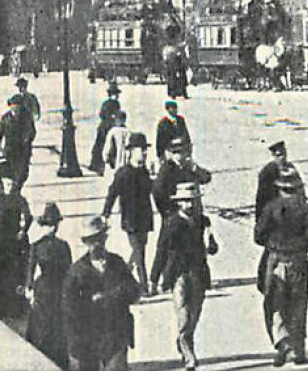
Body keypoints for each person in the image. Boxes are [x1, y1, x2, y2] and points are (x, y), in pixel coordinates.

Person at [255, 172, 308, 366]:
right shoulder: (305, 209)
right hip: (298, 262)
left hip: (276, 262)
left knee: (275, 304)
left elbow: (258, 236)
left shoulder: (270, 208)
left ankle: (282, 343)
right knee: (298, 304)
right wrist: (301, 245)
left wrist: (275, 244)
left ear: (279, 189)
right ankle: (298, 350)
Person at [150, 182, 217, 370]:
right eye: (185, 201)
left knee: (194, 314)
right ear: (179, 203)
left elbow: (213, 247)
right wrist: (154, 278)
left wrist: (211, 242)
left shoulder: (203, 222)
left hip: (198, 274)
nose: (189, 205)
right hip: (178, 275)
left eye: (192, 201)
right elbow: (161, 250)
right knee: (184, 314)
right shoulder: (172, 223)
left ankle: (183, 341)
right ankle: (189, 355)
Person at [62, 215, 141, 370]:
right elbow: (68, 309)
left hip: (116, 334)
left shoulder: (117, 263)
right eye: (90, 240)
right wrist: (74, 342)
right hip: (88, 337)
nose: (95, 244)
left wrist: (109, 296)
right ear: (84, 242)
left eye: (98, 238)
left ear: (105, 237)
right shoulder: (76, 271)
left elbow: (134, 291)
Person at [102, 132, 155, 294]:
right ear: (131, 151)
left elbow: (152, 191)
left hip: (145, 218)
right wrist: (106, 214)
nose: (144, 153)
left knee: (139, 251)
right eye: (141, 149)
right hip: (130, 219)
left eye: (145, 150)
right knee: (139, 253)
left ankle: (123, 275)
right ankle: (145, 287)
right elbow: (112, 193)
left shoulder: (145, 172)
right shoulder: (123, 173)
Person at [26, 202, 72, 367]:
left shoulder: (60, 246)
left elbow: (69, 271)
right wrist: (29, 288)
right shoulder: (38, 246)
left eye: (53, 225)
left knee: (53, 324)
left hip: (54, 288)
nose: (51, 228)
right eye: (48, 225)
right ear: (44, 226)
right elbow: (30, 270)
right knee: (46, 324)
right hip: (46, 289)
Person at [0, 172, 33, 319]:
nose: (9, 187)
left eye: (11, 185)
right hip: (1, 239)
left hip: (14, 240)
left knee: (15, 271)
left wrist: (23, 231)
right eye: (6, 184)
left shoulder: (20, 200)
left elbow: (28, 217)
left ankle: (14, 306)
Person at [154, 139, 214, 220]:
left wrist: (195, 168)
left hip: (194, 215)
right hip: (176, 217)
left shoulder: (189, 167)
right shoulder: (166, 169)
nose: (179, 156)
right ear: (171, 154)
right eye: (176, 152)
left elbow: (206, 178)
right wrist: (169, 211)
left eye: (182, 152)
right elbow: (157, 191)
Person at [0, 92, 38, 193]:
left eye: (17, 106)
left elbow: (32, 132)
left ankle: (17, 188)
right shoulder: (5, 118)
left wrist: (26, 139)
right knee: (12, 172)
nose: (15, 109)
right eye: (13, 106)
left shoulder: (27, 117)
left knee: (23, 173)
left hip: (23, 150)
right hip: (10, 150)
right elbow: (0, 134)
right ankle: (14, 191)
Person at [255, 140, 294, 226]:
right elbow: (261, 198)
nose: (283, 158)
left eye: (284, 154)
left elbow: (300, 189)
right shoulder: (267, 172)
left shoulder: (291, 168)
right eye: (279, 155)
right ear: (273, 156)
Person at [89, 81, 121, 174]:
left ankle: (97, 164)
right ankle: (99, 165)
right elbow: (104, 114)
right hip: (107, 127)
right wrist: (112, 118)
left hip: (105, 126)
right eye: (115, 94)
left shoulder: (110, 103)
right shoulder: (113, 104)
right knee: (104, 145)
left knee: (100, 145)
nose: (117, 96)